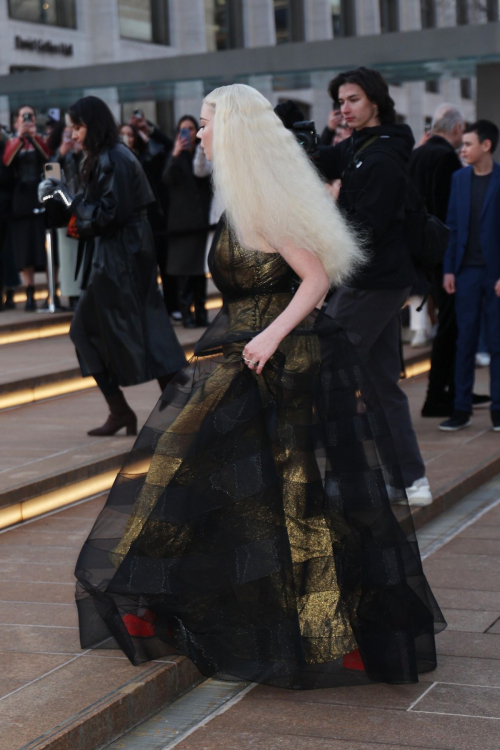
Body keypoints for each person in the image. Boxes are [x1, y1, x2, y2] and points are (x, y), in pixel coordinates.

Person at [74, 84, 445, 691]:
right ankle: (154, 601)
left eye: (210, 122)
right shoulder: (241, 198)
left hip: (276, 359)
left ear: (237, 130)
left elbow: (316, 279)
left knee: (281, 489)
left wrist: (270, 339)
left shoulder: (267, 201)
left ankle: (326, 630)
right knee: (196, 471)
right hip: (241, 355)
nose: (200, 131)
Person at [38, 96, 186, 436]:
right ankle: (127, 411)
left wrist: (65, 197)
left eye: (78, 127)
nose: (73, 134)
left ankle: (179, 413)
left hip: (124, 259)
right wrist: (64, 196)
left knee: (150, 336)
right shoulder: (107, 156)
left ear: (94, 125)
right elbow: (99, 212)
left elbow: (107, 215)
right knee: (141, 334)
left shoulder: (114, 157)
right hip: (119, 258)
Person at [316, 67, 430, 507]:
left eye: (354, 100)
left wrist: (335, 206)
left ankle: (347, 481)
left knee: (325, 371)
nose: (345, 108)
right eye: (341, 101)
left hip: (373, 282)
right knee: (380, 383)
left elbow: (367, 227)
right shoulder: (361, 146)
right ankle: (410, 481)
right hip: (375, 281)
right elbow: (327, 159)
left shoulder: (380, 156)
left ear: (375, 103)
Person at [409, 104, 470, 416]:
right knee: (450, 328)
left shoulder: (419, 153)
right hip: (442, 258)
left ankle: (451, 392)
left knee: (446, 326)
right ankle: (440, 395)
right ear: (457, 129)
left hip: (423, 255)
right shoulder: (445, 157)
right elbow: (450, 212)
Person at [440, 120, 500, 432]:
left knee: (498, 344)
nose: (462, 150)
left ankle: (498, 410)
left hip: (496, 277)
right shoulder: (459, 179)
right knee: (464, 343)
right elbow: (451, 225)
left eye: (468, 144)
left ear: (486, 146)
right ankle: (460, 409)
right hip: (464, 275)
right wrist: (449, 269)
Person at [162, 116, 211, 328]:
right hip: (182, 226)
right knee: (185, 275)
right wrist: (174, 153)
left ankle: (201, 313)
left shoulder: (203, 153)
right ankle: (187, 315)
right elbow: (167, 179)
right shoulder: (175, 157)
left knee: (200, 274)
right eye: (184, 130)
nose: (188, 133)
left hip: (201, 223)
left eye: (191, 129)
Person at [2, 105, 50, 311]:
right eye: (23, 117)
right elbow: (6, 163)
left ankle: (50, 292)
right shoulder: (13, 141)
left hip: (40, 195)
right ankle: (29, 292)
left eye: (29, 116)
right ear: (17, 121)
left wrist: (34, 138)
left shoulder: (40, 139)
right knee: (24, 247)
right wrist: (20, 139)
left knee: (43, 246)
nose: (27, 119)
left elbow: (48, 159)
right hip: (21, 198)